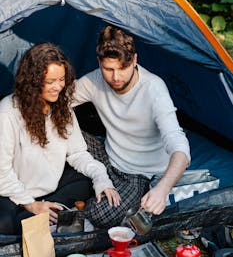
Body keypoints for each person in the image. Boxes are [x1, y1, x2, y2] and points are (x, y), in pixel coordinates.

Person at [73, 25, 191, 228]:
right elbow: (56, 101)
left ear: (134, 60)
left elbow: (180, 146)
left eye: (122, 68)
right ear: (99, 62)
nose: (116, 77)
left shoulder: (154, 88)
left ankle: (79, 211)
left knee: (103, 216)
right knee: (57, 127)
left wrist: (162, 189)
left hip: (139, 174)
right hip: (108, 156)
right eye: (108, 69)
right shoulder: (93, 80)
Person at [0, 42, 120, 235]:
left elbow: (78, 153)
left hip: (53, 189)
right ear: (32, 81)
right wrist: (31, 204)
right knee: (4, 223)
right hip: (15, 194)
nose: (58, 87)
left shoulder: (62, 107)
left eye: (62, 79)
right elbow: (2, 172)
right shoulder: (8, 111)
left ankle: (46, 217)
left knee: (89, 184)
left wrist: (101, 178)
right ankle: (44, 216)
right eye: (50, 82)